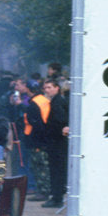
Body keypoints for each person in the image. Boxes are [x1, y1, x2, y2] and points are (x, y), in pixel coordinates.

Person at [42, 78, 68, 208]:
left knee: (57, 170)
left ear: (57, 88)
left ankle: (57, 198)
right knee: (56, 170)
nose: (47, 90)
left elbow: (60, 120)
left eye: (50, 87)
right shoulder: (55, 101)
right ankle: (57, 197)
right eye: (45, 88)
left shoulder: (57, 102)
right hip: (55, 141)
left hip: (57, 142)